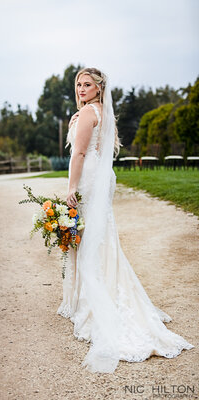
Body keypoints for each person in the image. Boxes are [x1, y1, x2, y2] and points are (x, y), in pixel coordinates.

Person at [59, 67, 191, 373]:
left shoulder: (88, 115)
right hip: (102, 178)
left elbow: (78, 154)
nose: (81, 88)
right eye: (78, 84)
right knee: (100, 235)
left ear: (99, 87)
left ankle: (92, 298)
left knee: (89, 236)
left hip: (88, 177)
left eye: (87, 84)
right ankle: (102, 287)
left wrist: (71, 188)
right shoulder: (104, 113)